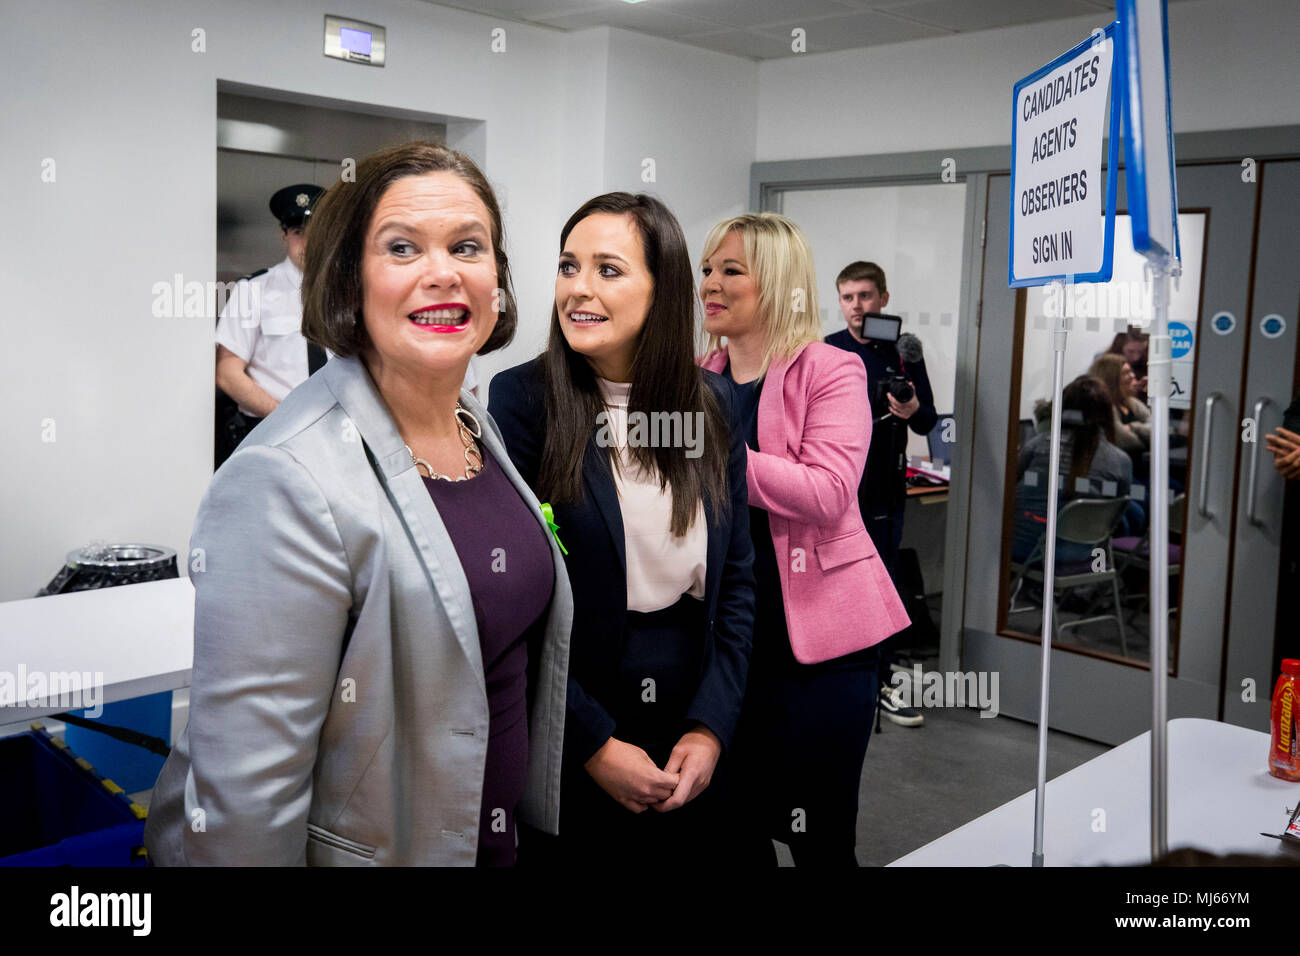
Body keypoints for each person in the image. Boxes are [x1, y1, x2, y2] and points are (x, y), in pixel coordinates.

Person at [144, 142, 572, 866]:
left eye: (468, 246)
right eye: (402, 247)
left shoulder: (473, 421)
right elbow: (244, 802)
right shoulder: (283, 478)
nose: (443, 273)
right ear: (347, 280)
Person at [489, 193, 755, 866]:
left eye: (608, 269)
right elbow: (513, 606)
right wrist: (592, 743)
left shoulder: (715, 404)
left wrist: (711, 727)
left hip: (693, 697)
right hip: (581, 705)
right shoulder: (524, 401)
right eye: (567, 266)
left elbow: (738, 584)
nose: (578, 288)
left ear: (662, 290)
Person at [698, 214, 910, 866]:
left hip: (821, 650)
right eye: (708, 269)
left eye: (731, 270)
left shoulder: (833, 369)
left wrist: (710, 456)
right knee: (731, 828)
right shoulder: (695, 375)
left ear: (779, 283)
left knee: (818, 840)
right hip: (728, 641)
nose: (710, 283)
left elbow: (825, 491)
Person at [824, 260, 937, 727]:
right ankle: (838, 675)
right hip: (838, 486)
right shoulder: (828, 350)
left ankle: (883, 679)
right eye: (848, 297)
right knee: (836, 581)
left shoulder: (904, 352)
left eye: (865, 296)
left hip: (887, 486)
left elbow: (928, 421)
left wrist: (910, 407)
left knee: (883, 581)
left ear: (884, 300)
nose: (857, 306)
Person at [215, 183, 326, 463]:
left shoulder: (346, 292)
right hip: (271, 432)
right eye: (299, 232)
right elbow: (228, 373)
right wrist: (286, 418)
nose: (308, 242)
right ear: (283, 235)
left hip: (333, 435)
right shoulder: (253, 290)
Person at [1011, 375, 1133, 566]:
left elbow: (1013, 488)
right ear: (1107, 413)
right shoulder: (1120, 461)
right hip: (1082, 555)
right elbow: (1117, 510)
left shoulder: (1036, 447)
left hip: (1024, 550)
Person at [1088, 352, 1152, 463]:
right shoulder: (1105, 407)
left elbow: (1160, 429)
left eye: (1131, 371)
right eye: (1125, 373)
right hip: (1117, 467)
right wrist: (1149, 440)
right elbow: (1121, 440)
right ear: (1111, 379)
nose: (1132, 376)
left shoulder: (1133, 403)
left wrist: (1134, 427)